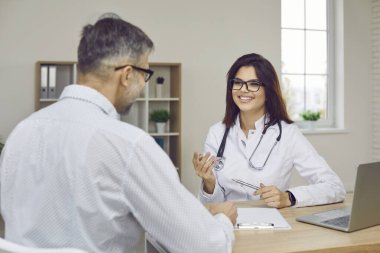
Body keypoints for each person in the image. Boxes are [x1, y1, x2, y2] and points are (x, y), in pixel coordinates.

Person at [0, 14, 237, 253]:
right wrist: (224, 221)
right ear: (126, 75)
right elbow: (205, 247)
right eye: (145, 74)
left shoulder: (21, 133)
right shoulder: (128, 146)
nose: (144, 84)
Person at [193, 53, 346, 208]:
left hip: (271, 224)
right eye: (238, 82)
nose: (243, 90)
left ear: (268, 91)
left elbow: (334, 187)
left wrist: (288, 197)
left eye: (254, 84)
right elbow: (210, 205)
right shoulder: (217, 133)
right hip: (227, 222)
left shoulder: (288, 133)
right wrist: (209, 183)